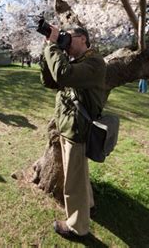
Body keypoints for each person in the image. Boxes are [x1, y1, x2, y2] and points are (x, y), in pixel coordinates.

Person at [40, 25, 107, 238]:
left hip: (78, 129)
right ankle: (89, 206)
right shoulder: (77, 62)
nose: (66, 43)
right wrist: (47, 51)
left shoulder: (95, 62)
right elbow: (50, 80)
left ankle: (77, 227)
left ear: (83, 39)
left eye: (70, 38)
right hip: (69, 126)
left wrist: (53, 46)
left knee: (73, 182)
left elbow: (63, 74)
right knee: (79, 175)